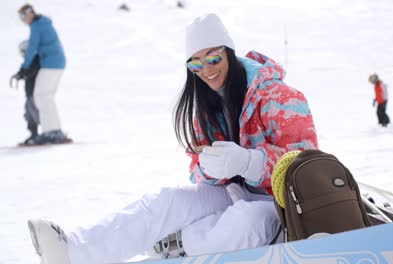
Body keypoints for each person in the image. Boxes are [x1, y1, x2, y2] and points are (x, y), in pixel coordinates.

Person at [27, 13, 318, 264]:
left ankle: (177, 246)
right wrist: (208, 168)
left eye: (213, 58)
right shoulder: (204, 107)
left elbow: (307, 163)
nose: (206, 70)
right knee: (167, 201)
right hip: (235, 194)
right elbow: (197, 172)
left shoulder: (278, 96)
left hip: (281, 206)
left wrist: (249, 162)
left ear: (228, 51)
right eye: (196, 64)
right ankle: (74, 252)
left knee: (244, 222)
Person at [11, 4, 71, 145]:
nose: (22, 20)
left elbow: (32, 47)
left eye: (22, 16)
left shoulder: (37, 25)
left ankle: (51, 132)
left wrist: (24, 68)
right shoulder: (43, 23)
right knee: (45, 97)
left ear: (29, 13)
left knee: (41, 96)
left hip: (50, 64)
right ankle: (54, 130)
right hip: (57, 63)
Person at [9, 40, 41, 144]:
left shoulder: (35, 60)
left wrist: (23, 75)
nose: (22, 54)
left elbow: (32, 71)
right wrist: (20, 74)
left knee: (35, 112)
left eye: (23, 51)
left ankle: (47, 132)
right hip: (30, 93)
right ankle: (33, 134)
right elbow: (25, 71)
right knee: (28, 114)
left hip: (35, 92)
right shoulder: (29, 62)